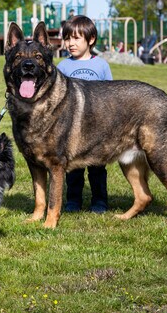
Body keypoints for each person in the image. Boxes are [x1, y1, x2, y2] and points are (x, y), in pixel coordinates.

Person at [57, 15, 113, 213]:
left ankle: (99, 201)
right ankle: (73, 201)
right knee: (72, 168)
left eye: (76, 38)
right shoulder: (62, 67)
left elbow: (110, 97)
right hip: (71, 129)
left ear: (91, 40)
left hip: (97, 127)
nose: (71, 43)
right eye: (67, 38)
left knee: (98, 168)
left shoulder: (101, 66)